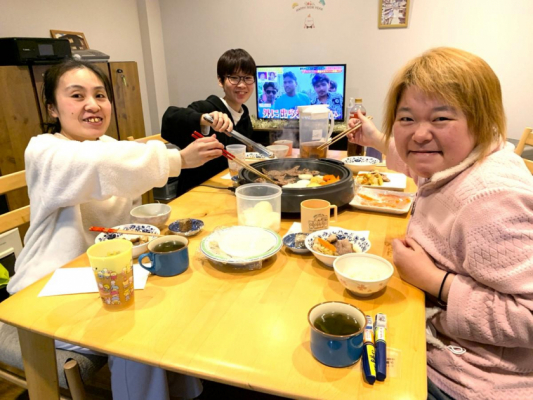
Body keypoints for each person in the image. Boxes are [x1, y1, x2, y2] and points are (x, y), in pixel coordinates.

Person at [7, 59, 223, 400]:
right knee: (135, 332)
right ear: (52, 107)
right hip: (49, 288)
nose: (92, 105)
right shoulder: (44, 151)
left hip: (109, 275)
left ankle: (186, 393)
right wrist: (178, 160)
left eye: (100, 95)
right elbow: (96, 165)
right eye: (77, 95)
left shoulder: (109, 146)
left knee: (181, 292)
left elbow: (121, 176)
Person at [347, 47, 533, 400]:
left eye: (441, 118)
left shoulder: (491, 199)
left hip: (467, 379)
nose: (419, 135)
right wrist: (373, 138)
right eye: (406, 118)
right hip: (431, 333)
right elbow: (415, 163)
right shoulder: (459, 161)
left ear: (482, 120)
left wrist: (436, 280)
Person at [162, 48, 258, 196]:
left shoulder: (244, 115)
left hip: (228, 190)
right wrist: (204, 119)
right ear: (220, 80)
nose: (242, 85)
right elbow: (169, 119)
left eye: (247, 78)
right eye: (234, 78)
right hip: (197, 192)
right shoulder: (206, 108)